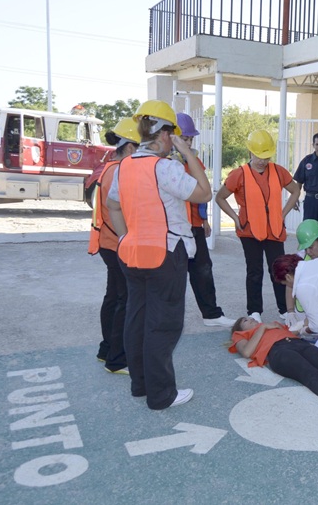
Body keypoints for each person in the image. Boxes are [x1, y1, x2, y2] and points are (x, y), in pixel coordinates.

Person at [106, 100, 212, 410]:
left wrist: (126, 235)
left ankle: (140, 385)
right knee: (162, 325)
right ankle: (162, 394)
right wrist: (188, 152)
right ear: (164, 134)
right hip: (166, 255)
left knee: (137, 319)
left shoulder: (124, 167)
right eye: (173, 134)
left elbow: (113, 205)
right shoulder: (164, 167)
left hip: (132, 253)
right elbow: (204, 193)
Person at [215, 129, 300, 319]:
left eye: (267, 156)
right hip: (249, 232)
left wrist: (283, 213)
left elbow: (295, 191)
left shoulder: (279, 171)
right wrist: (236, 219)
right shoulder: (239, 174)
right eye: (259, 156)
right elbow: (220, 198)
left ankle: (285, 311)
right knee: (254, 272)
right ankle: (254, 311)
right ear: (250, 152)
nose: (263, 161)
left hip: (275, 232)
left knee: (279, 271)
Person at [87, 118, 138, 374]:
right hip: (119, 244)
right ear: (130, 148)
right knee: (124, 301)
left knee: (113, 297)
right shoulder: (121, 171)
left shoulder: (108, 167)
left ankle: (106, 349)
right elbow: (123, 213)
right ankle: (117, 360)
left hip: (108, 242)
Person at [176, 112, 234, 328]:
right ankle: (169, 318)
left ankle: (211, 314)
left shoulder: (194, 160)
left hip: (194, 226)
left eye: (190, 138)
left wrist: (204, 221)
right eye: (184, 138)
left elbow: (203, 194)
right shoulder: (165, 163)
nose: (188, 142)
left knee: (203, 269)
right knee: (174, 275)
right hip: (174, 228)